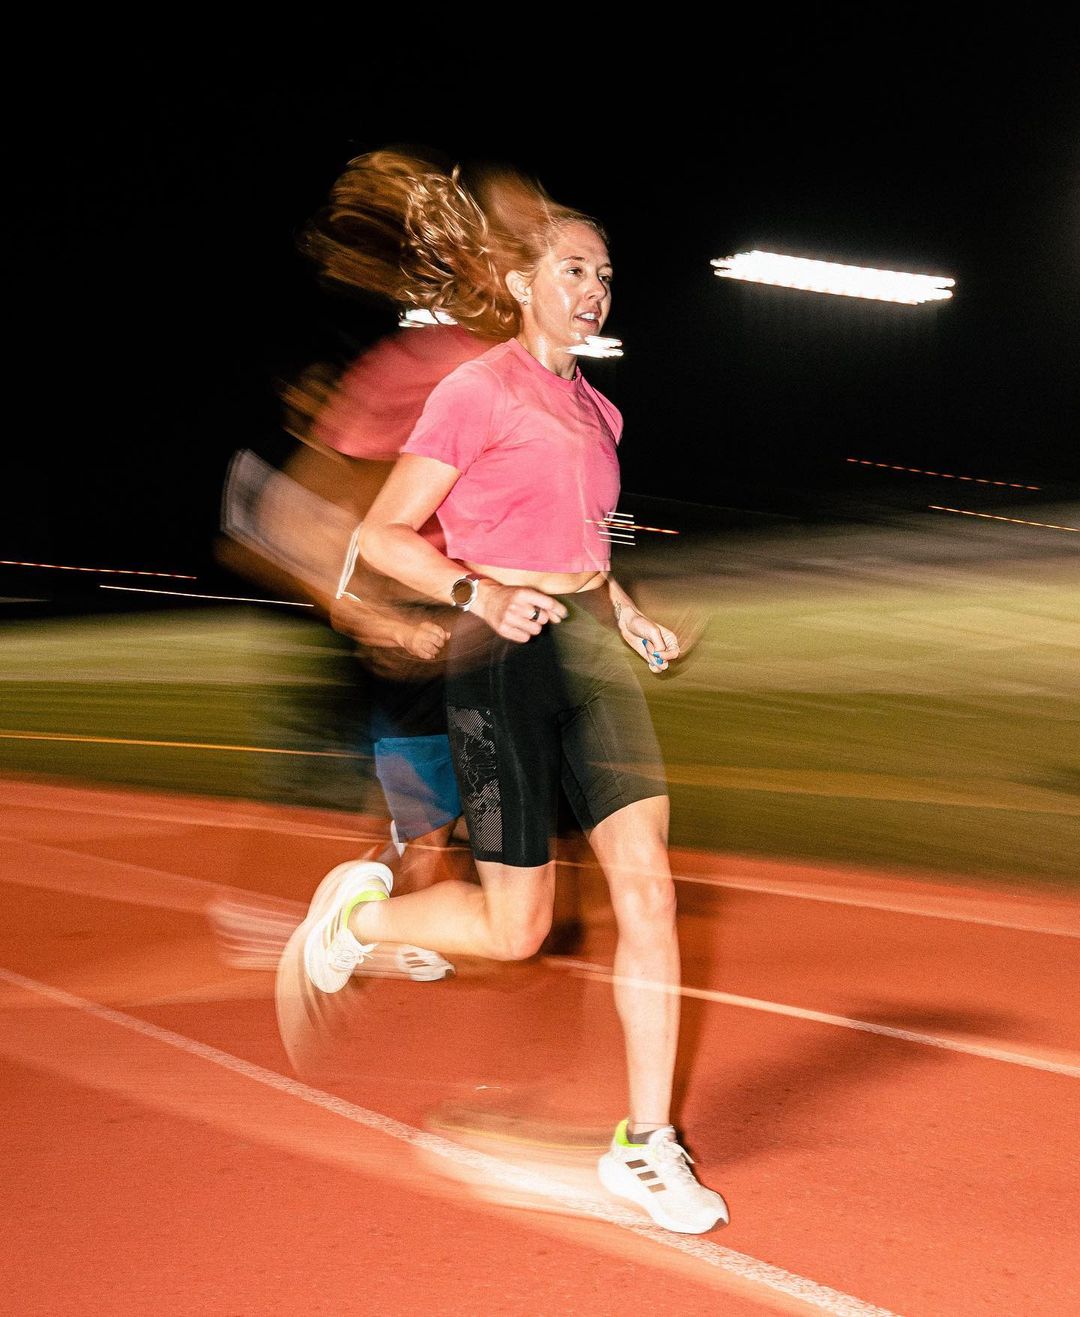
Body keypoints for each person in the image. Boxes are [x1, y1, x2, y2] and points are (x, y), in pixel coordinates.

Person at [283, 152, 728, 1234]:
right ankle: (361, 916)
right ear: (524, 282)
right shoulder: (474, 390)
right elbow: (385, 535)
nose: (594, 290)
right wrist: (476, 590)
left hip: (592, 661)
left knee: (649, 890)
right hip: (499, 662)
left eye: (605, 275)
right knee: (516, 928)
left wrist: (625, 609)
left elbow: (584, 550)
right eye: (573, 269)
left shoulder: (601, 413)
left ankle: (646, 1145)